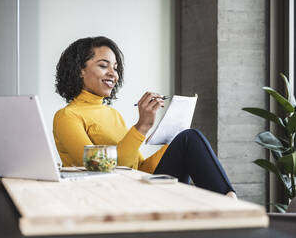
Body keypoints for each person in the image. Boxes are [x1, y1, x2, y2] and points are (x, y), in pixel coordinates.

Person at [53, 36, 236, 198]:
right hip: (110, 195)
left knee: (187, 138)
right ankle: (228, 204)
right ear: (79, 71)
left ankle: (228, 200)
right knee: (189, 139)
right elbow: (101, 171)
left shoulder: (112, 114)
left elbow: (139, 169)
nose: (113, 74)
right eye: (103, 65)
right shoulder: (67, 116)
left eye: (115, 68)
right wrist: (142, 126)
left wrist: (172, 143)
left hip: (136, 187)